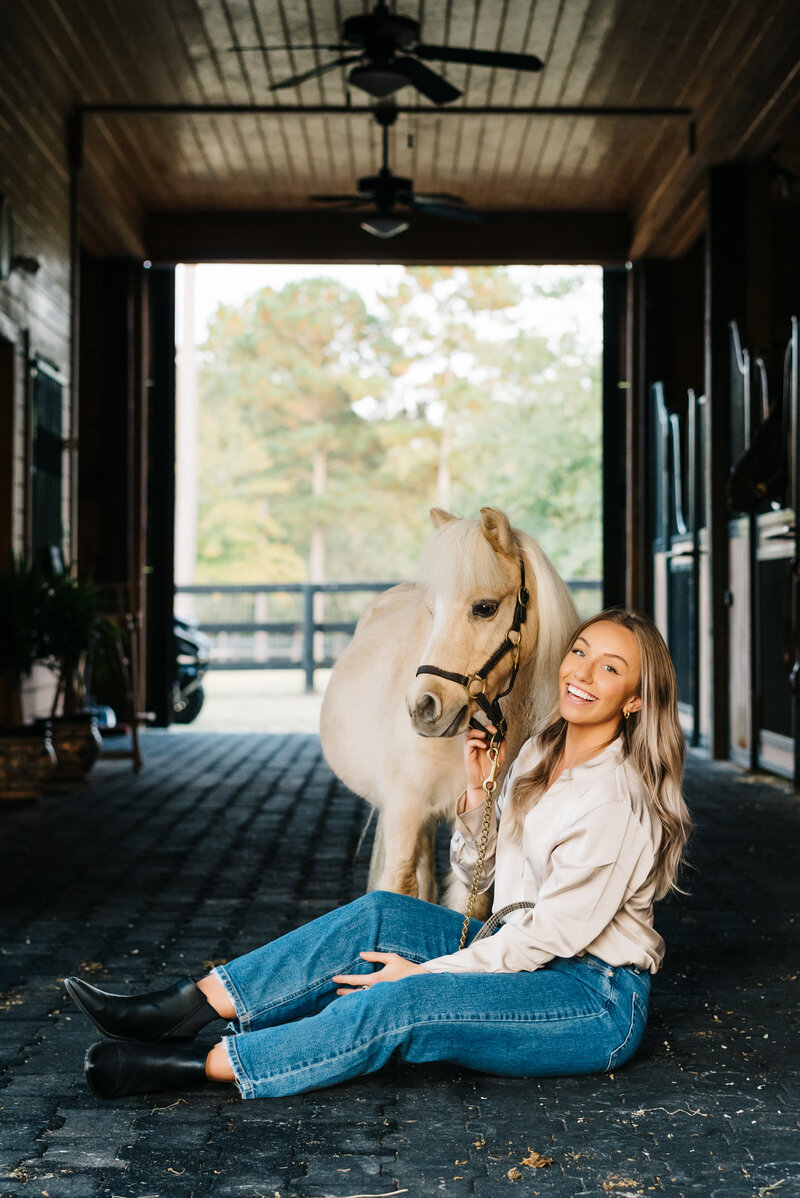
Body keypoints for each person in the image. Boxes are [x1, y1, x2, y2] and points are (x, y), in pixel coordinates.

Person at [65, 608, 691, 1101]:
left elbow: (544, 940)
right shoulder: (538, 754)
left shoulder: (615, 800)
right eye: (580, 652)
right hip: (521, 944)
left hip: (591, 997)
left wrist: (421, 974)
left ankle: (203, 1064)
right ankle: (185, 1007)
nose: (581, 673)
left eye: (610, 668)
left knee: (402, 1003)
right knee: (381, 915)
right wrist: (478, 797)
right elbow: (486, 882)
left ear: (635, 699)